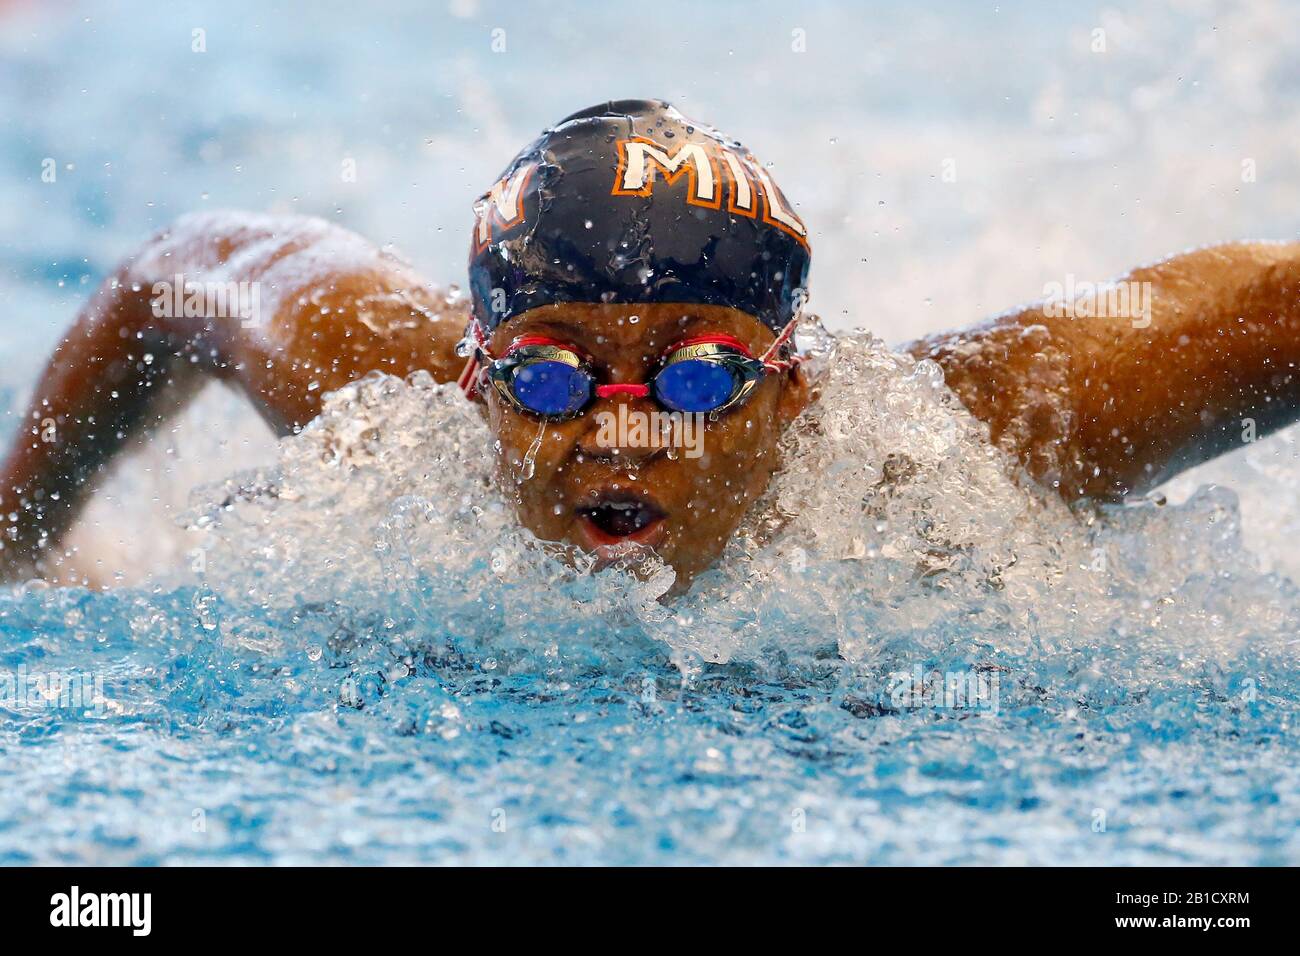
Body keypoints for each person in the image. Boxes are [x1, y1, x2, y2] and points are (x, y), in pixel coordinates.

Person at [3, 99, 1299, 588]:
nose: (621, 430)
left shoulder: (977, 451)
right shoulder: (373, 397)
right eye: (552, 375)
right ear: (473, 375)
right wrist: (20, 540)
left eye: (698, 375)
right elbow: (178, 268)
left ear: (793, 390)